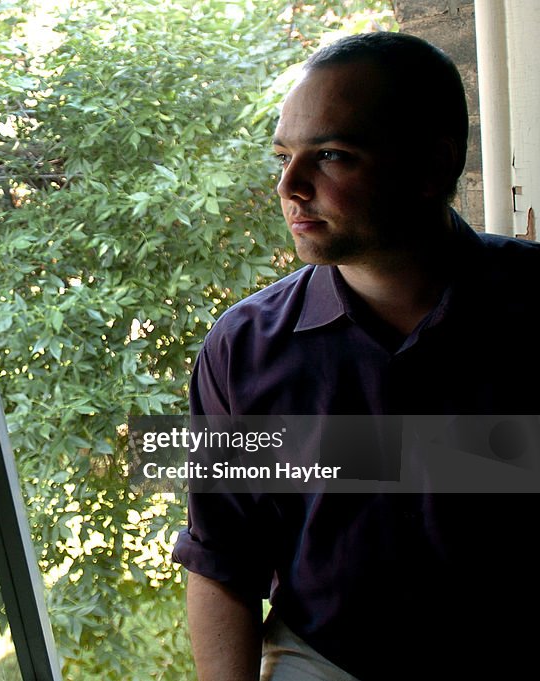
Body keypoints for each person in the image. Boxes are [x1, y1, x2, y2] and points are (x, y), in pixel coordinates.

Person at [172, 32, 540, 680]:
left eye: (333, 155)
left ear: (432, 166)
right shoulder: (242, 349)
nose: (290, 185)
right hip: (326, 659)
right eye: (283, 156)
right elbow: (222, 558)